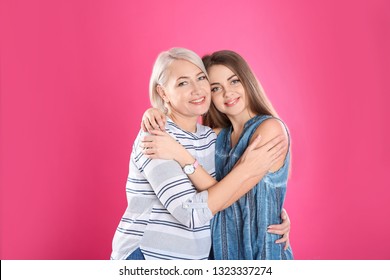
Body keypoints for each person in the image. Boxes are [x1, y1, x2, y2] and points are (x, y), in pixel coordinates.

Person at [111, 47, 289, 260]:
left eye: (200, 79)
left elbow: (228, 192)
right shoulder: (157, 136)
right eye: (183, 83)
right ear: (163, 92)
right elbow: (192, 212)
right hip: (149, 256)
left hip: (211, 257)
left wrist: (274, 208)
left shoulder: (210, 138)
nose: (197, 90)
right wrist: (246, 170)